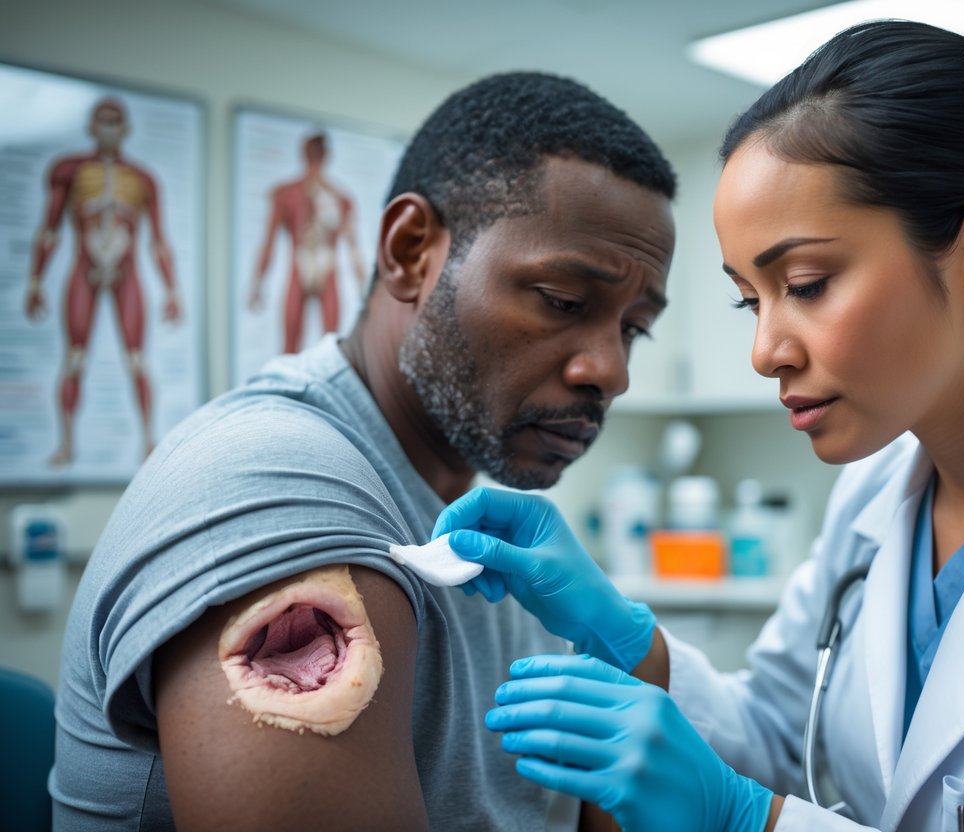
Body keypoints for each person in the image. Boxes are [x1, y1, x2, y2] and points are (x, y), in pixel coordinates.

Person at [433, 21, 964, 832]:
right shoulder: (875, 496)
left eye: (804, 283)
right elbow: (775, 731)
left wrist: (748, 820)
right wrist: (630, 640)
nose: (765, 351)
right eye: (749, 300)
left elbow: (757, 795)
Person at [50, 71, 676, 830]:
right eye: (562, 303)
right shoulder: (273, 487)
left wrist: (640, 664)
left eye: (632, 328)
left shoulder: (496, 549)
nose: (609, 371)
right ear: (411, 251)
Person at [25, 96, 182, 465]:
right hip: (86, 269)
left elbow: (159, 240)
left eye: (115, 121)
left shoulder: (143, 179)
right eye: (103, 121)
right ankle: (66, 444)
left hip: (127, 274)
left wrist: (172, 289)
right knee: (75, 358)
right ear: (91, 127)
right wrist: (35, 281)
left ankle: (148, 439)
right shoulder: (68, 171)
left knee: (137, 359)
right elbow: (49, 231)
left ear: (124, 128)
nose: (109, 128)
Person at [248, 131, 367, 354]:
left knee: (329, 346)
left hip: (324, 264)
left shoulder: (339, 198)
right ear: (327, 155)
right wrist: (256, 284)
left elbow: (353, 249)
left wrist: (257, 284)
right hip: (305, 262)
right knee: (300, 346)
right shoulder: (288, 194)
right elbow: (268, 244)